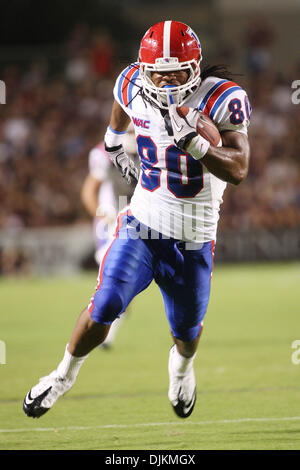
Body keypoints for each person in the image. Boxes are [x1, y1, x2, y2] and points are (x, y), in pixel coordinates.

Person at [23, 20, 251, 419]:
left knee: (186, 334)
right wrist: (119, 151)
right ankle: (61, 377)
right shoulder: (129, 83)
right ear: (144, 69)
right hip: (143, 224)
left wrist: (195, 144)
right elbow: (116, 122)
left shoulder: (222, 98)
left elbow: (239, 169)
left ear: (195, 65)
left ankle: (181, 370)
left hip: (195, 237)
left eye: (177, 72)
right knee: (106, 302)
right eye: (158, 74)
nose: (166, 83)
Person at [80, 126, 138, 348]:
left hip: (135, 217)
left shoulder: (150, 149)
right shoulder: (104, 152)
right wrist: (102, 214)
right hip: (110, 219)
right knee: (113, 278)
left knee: (127, 281)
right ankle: (98, 328)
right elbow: (88, 191)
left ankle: (108, 329)